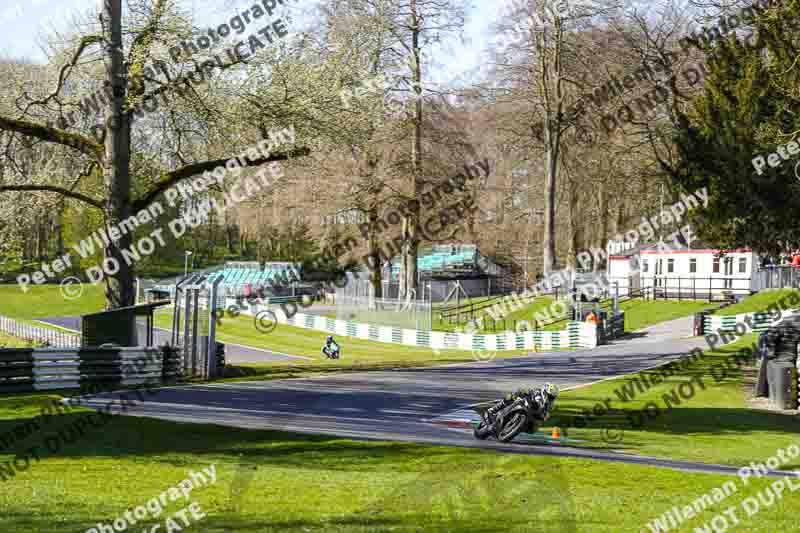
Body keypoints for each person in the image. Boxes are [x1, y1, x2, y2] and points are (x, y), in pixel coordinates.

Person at [484, 383, 560, 422]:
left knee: (533, 428)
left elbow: (545, 416)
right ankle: (493, 409)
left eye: (552, 398)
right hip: (523, 403)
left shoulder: (549, 405)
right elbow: (526, 392)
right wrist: (521, 393)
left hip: (530, 416)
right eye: (550, 396)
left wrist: (544, 416)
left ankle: (513, 427)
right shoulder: (537, 392)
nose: (550, 399)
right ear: (545, 392)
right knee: (512, 395)